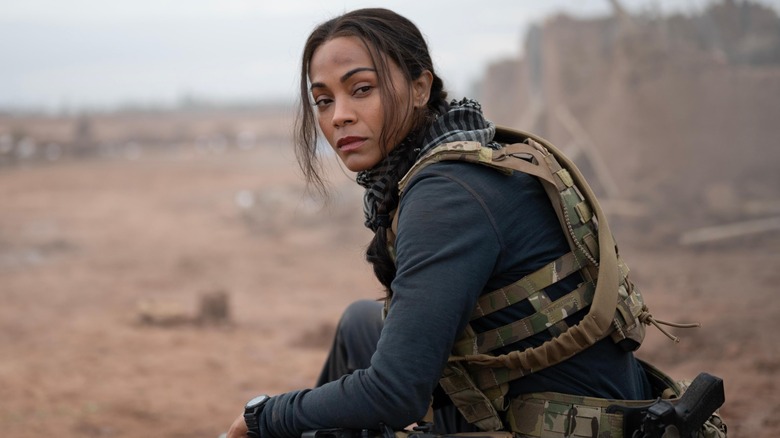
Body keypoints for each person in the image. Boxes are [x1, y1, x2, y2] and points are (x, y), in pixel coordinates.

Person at [226, 7, 655, 438]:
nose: (339, 115)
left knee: (305, 420)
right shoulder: (467, 153)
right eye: (324, 100)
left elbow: (394, 394)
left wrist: (261, 416)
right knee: (361, 324)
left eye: (361, 89)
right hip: (541, 404)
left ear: (420, 88)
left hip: (560, 425)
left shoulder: (447, 195)